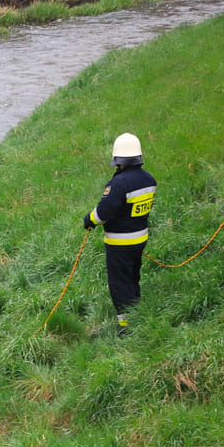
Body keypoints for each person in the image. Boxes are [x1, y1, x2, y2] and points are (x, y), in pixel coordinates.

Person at [83, 133, 157, 334]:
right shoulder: (149, 180)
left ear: (119, 159)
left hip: (120, 244)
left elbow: (104, 212)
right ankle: (136, 312)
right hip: (140, 239)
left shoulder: (118, 184)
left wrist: (89, 219)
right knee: (132, 277)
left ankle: (126, 327)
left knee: (119, 284)